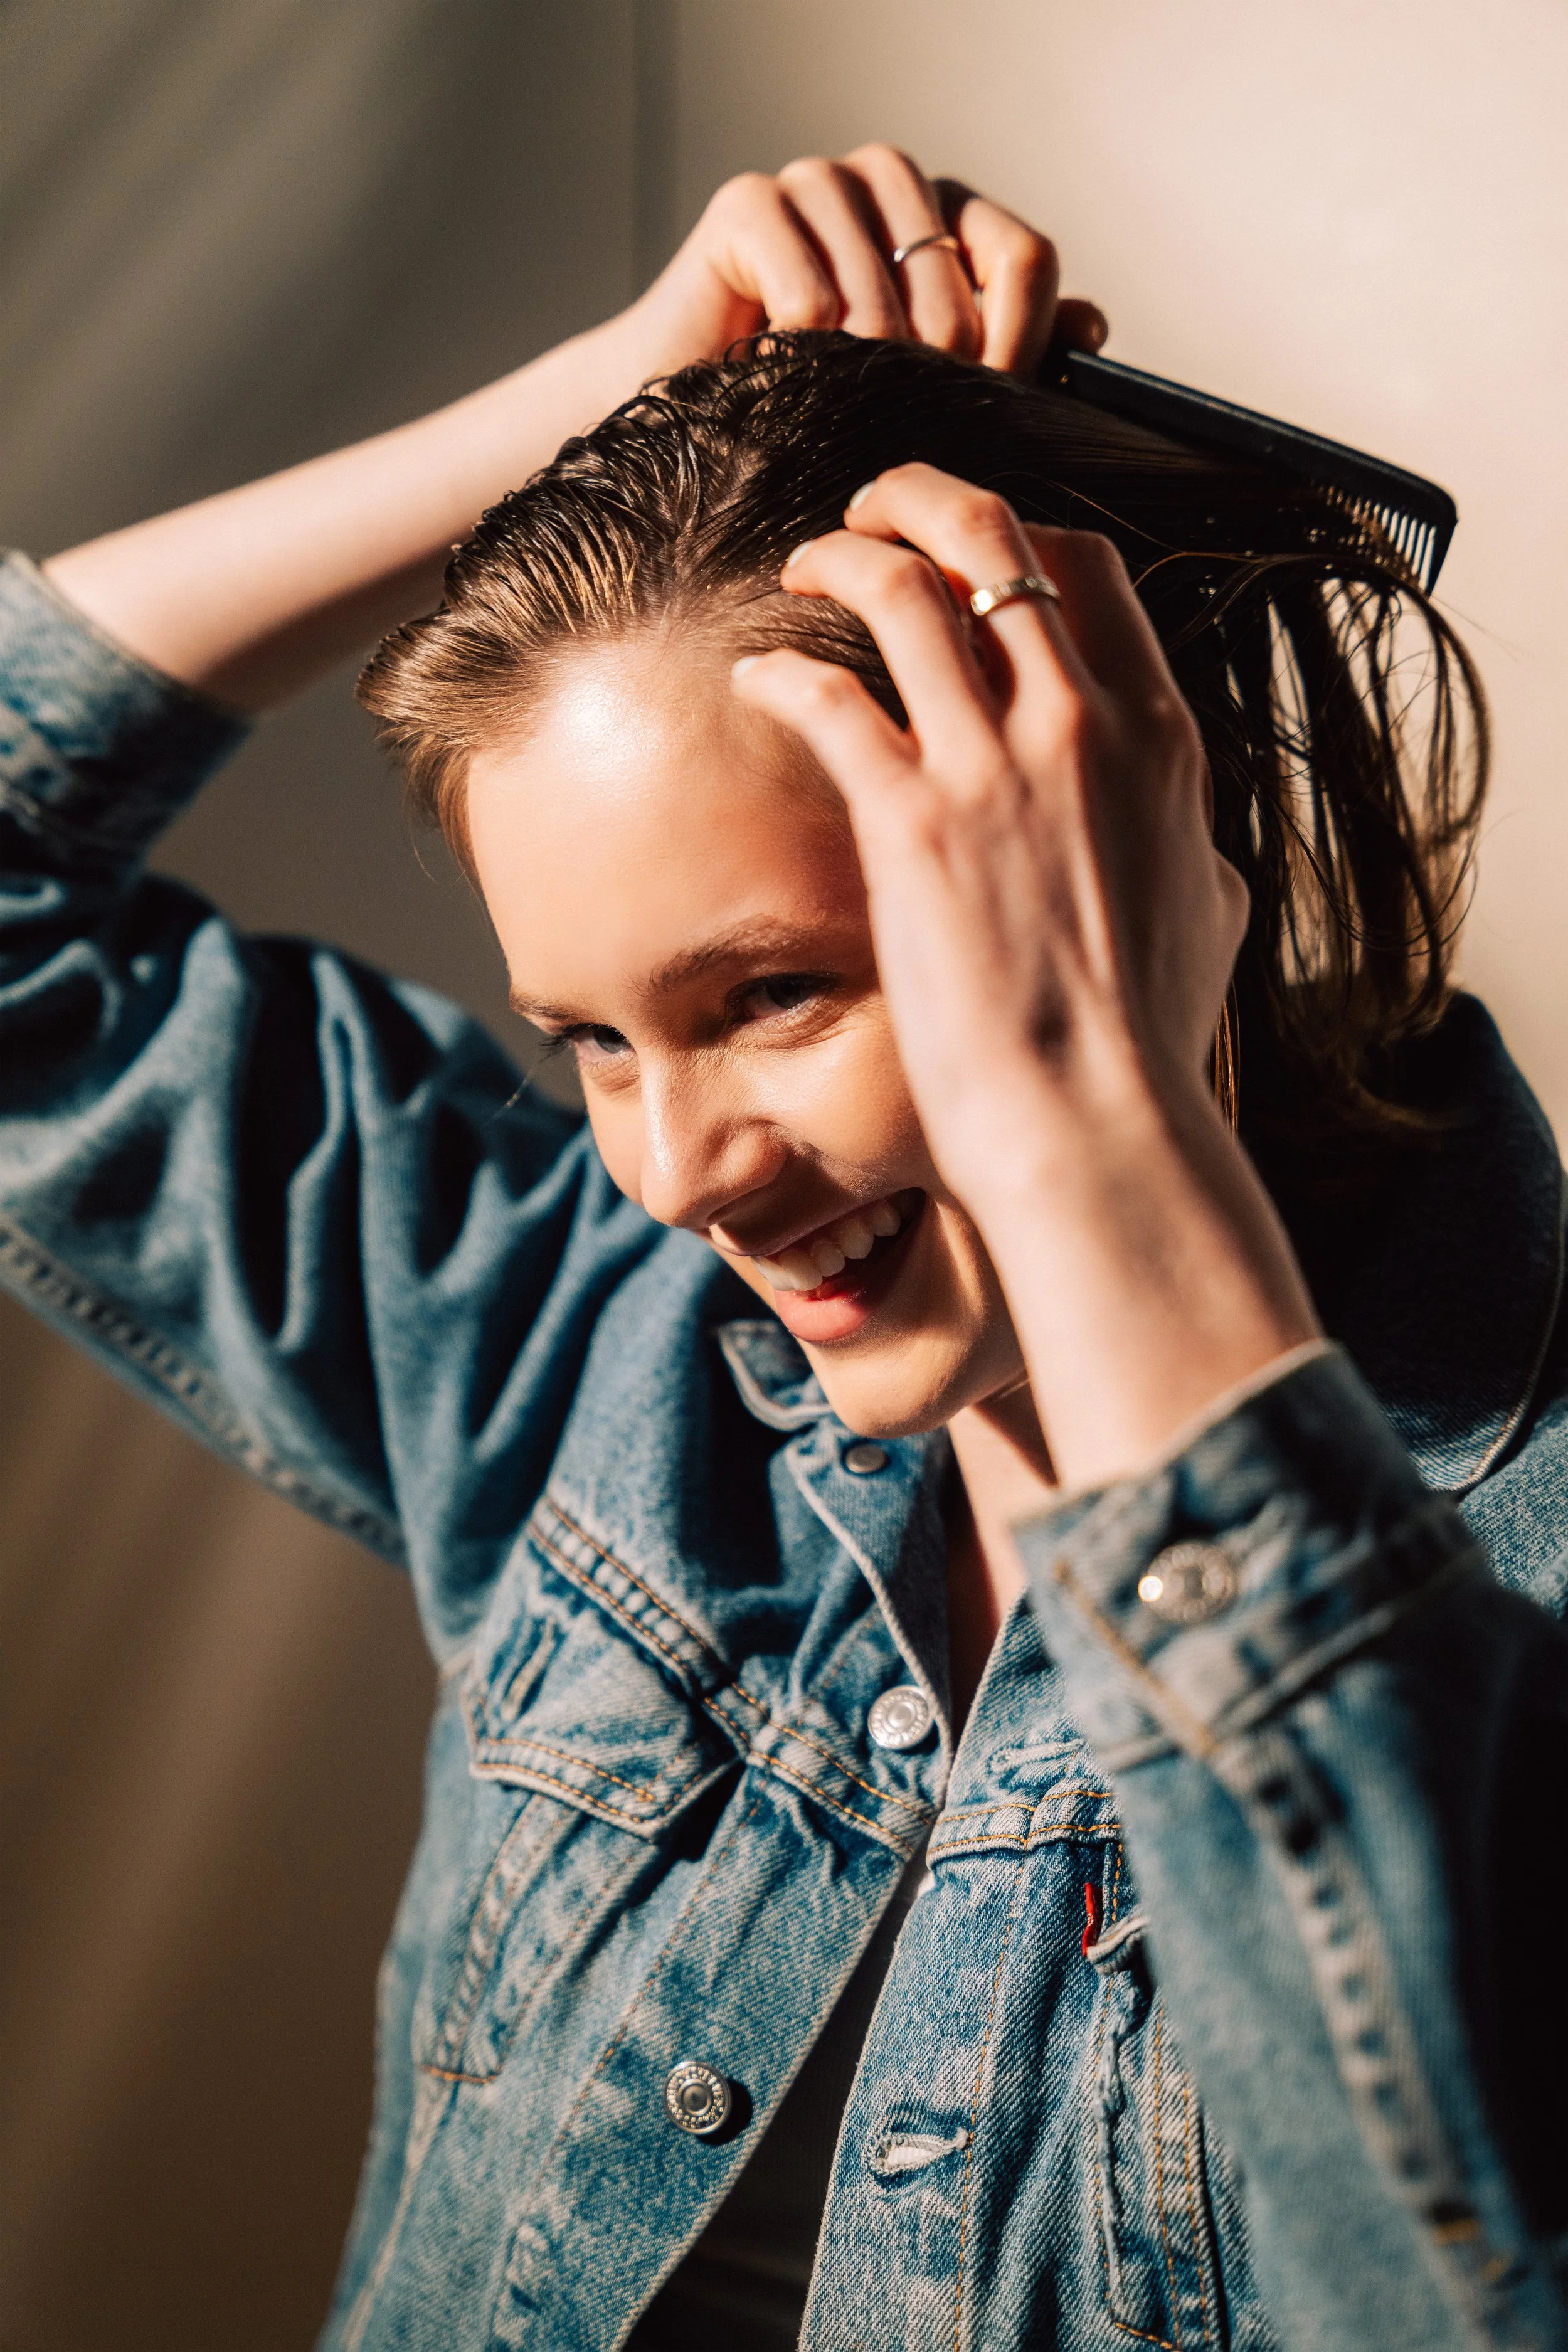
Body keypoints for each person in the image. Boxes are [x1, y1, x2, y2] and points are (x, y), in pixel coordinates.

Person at [1, 142, 1564, 2352]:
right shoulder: (591, 1356)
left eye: (770, 995)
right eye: (595, 1041)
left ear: (1127, 853)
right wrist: (581, 410)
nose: (675, 1173)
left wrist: (1093, 1136)